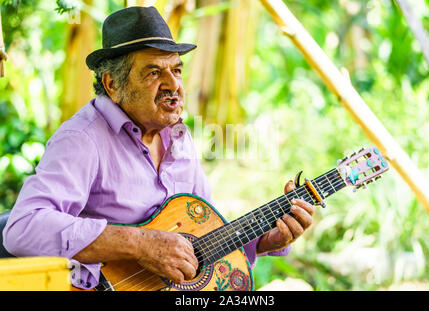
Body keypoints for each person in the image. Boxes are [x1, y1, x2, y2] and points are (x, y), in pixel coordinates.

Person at [2, 6, 314, 290]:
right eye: (154, 72)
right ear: (112, 84)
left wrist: (263, 241)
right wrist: (140, 243)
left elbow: (199, 237)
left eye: (176, 70)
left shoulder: (178, 137)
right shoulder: (82, 139)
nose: (173, 84)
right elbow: (23, 228)